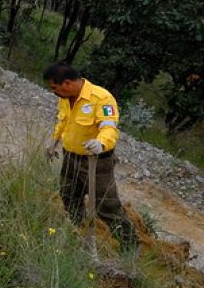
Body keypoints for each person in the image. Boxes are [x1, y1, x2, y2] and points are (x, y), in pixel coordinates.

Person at [43, 62, 138, 253]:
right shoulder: (64, 98)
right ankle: (77, 231)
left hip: (96, 163)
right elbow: (63, 122)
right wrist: (54, 142)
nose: (54, 92)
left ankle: (130, 246)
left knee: (107, 206)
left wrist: (101, 143)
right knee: (69, 196)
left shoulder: (101, 98)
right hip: (70, 158)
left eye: (54, 87)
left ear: (67, 83)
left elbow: (109, 127)